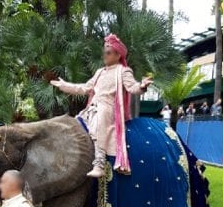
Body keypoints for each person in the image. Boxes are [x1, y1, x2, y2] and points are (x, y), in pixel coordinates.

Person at [50, 34, 153, 177]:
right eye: (104, 51)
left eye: (108, 52)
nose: (105, 55)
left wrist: (142, 85)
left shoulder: (123, 71)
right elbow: (85, 88)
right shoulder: (99, 72)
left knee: (101, 118)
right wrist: (64, 85)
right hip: (92, 107)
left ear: (118, 55)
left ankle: (99, 163)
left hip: (108, 108)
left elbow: (132, 87)